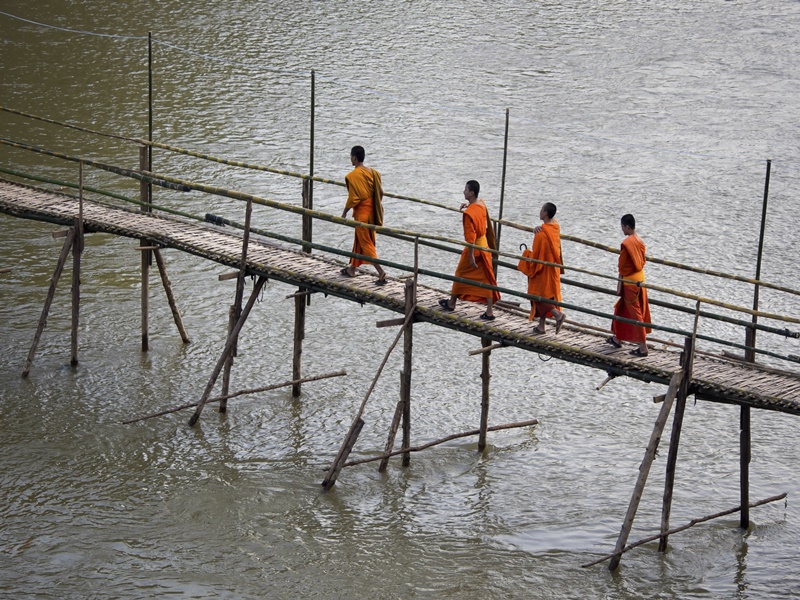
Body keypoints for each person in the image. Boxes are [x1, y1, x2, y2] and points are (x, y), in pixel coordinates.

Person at [439, 180, 500, 320]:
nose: (463, 192)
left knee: (460, 273)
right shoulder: (481, 205)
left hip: (475, 249)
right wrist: (469, 205)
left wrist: (471, 256)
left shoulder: (469, 214)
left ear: (471, 193)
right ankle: (489, 311)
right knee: (487, 279)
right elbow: (477, 210)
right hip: (485, 248)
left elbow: (470, 238)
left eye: (465, 190)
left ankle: (452, 303)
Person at [341, 145, 387, 284]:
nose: (351, 159)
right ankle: (352, 269)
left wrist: (344, 213)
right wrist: (374, 206)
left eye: (351, 157)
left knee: (366, 243)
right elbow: (381, 193)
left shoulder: (352, 176)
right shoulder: (374, 173)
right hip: (372, 213)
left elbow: (353, 199)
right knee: (360, 241)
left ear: (354, 157)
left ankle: (381, 272)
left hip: (362, 214)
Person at [606, 213, 652, 356]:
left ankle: (643, 347)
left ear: (627, 226)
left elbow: (623, 266)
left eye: (622, 227)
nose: (622, 230)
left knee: (635, 313)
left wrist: (620, 275)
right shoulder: (640, 240)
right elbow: (641, 262)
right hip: (640, 280)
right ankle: (617, 339)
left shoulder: (627, 243)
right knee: (622, 309)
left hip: (630, 283)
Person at [522, 202, 565, 334]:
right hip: (553, 269)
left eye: (542, 210)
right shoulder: (554, 227)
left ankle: (557, 314)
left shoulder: (541, 235)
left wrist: (526, 254)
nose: (540, 211)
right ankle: (541, 326)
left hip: (542, 270)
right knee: (547, 296)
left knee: (536, 295)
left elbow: (536, 256)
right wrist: (538, 227)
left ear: (545, 213)